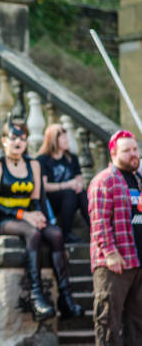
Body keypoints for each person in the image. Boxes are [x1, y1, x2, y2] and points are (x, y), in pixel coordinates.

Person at [0, 118, 83, 322]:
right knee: (33, 233)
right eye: (13, 137)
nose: (17, 142)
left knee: (56, 234)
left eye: (22, 138)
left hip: (28, 216)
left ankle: (66, 300)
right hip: (4, 219)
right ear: (4, 140)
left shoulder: (34, 165)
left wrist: (42, 217)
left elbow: (38, 200)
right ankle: (36, 297)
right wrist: (24, 215)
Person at [87, 130, 142, 346]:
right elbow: (99, 221)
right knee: (108, 322)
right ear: (113, 153)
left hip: (138, 262)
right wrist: (110, 252)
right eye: (126, 150)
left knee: (136, 324)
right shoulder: (104, 181)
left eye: (135, 149)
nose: (133, 154)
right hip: (114, 265)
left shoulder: (138, 180)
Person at [37, 124, 90, 243]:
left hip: (70, 197)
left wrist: (78, 185)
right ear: (53, 140)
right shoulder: (42, 160)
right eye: (64, 138)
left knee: (82, 193)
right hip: (52, 200)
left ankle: (95, 230)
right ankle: (66, 234)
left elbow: (79, 179)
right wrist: (67, 185)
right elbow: (44, 186)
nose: (67, 141)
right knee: (69, 193)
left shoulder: (72, 158)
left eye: (67, 138)